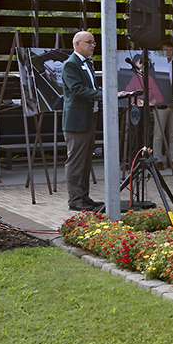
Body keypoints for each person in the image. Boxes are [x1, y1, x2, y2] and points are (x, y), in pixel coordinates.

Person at [61, 30, 105, 212]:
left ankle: (84, 196)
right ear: (77, 44)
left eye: (93, 42)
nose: (93, 45)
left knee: (86, 161)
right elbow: (77, 90)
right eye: (89, 42)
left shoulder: (87, 64)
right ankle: (75, 199)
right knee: (76, 161)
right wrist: (105, 95)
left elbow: (91, 87)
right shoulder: (70, 65)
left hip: (88, 118)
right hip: (76, 121)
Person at [151, 42, 173, 170]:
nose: (168, 52)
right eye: (165, 50)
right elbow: (151, 86)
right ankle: (158, 160)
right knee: (158, 134)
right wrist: (163, 100)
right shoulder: (154, 67)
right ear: (160, 51)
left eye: (170, 50)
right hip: (160, 105)